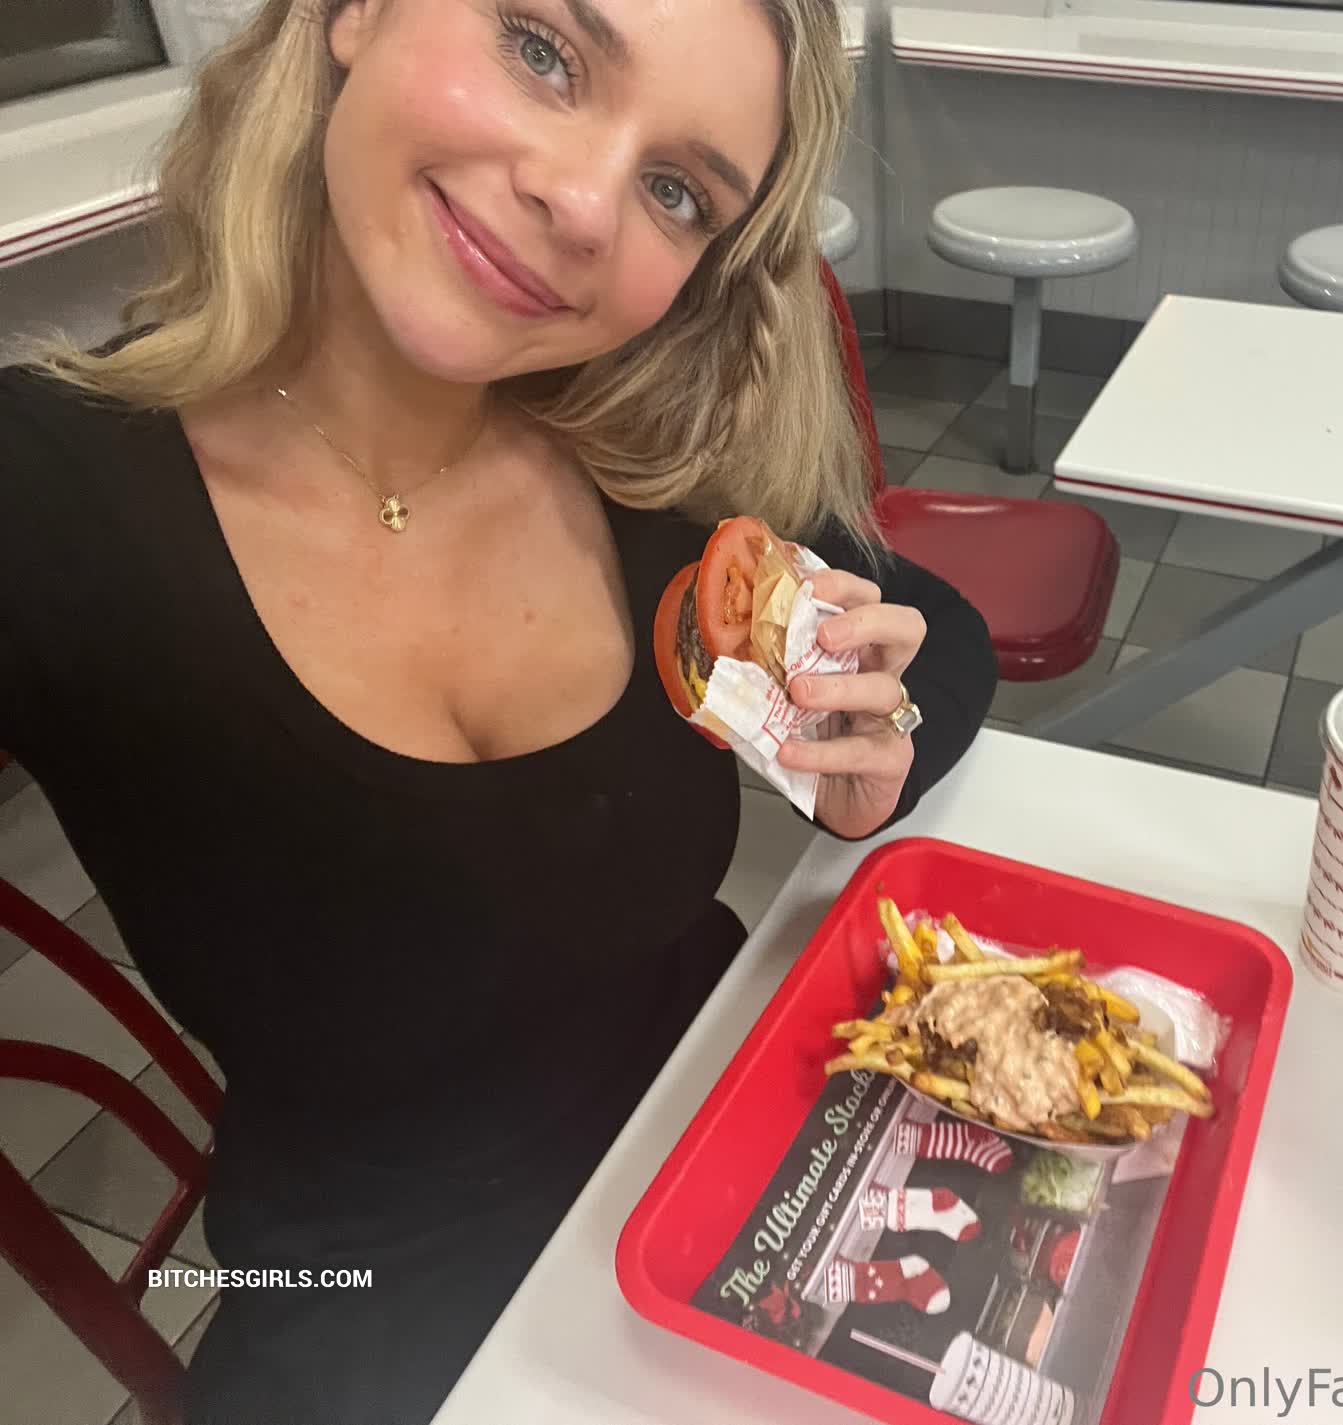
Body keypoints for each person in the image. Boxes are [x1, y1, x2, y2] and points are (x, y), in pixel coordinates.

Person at [0, 0, 996, 1419]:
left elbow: (939, 630)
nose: (584, 206)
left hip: (727, 1152)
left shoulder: (642, 449)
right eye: (543, 51)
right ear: (356, 14)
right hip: (352, 1284)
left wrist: (870, 745)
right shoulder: (49, 495)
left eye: (676, 190)